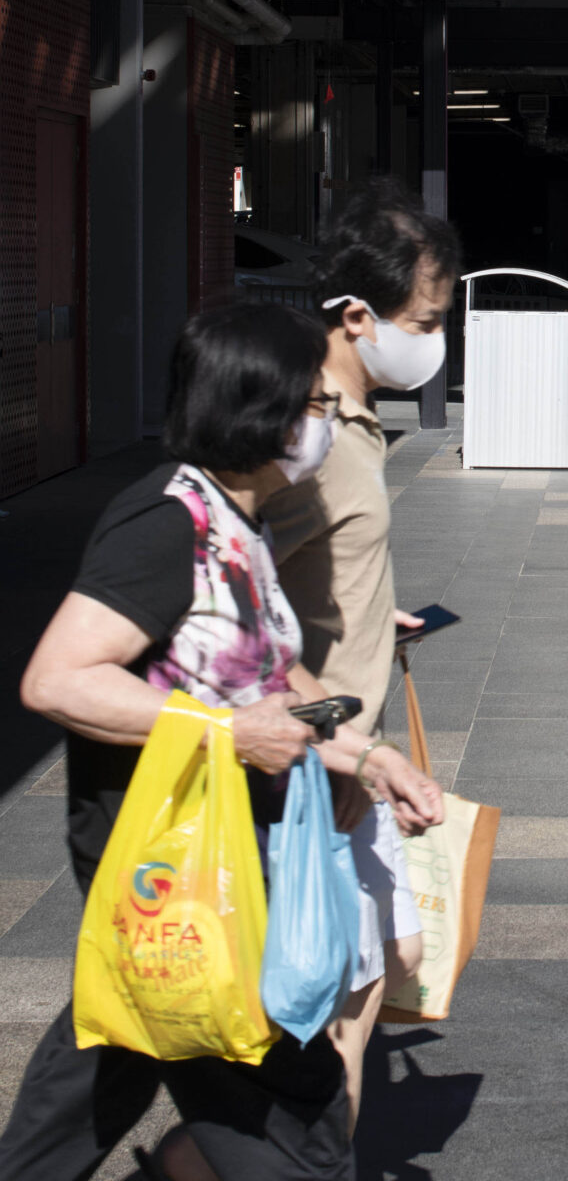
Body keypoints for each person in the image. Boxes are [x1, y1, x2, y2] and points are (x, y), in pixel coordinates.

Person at [0, 299, 440, 1181]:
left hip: (209, 876)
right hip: (179, 871)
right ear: (260, 409)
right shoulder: (164, 524)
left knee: (103, 1076)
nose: (326, 424)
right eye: (314, 407)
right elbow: (57, 680)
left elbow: (271, 670)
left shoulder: (238, 519)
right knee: (295, 1128)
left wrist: (364, 751)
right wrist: (227, 733)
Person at [263, 185, 460, 1129]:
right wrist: (327, 735)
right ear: (355, 317)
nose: (433, 341)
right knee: (343, 992)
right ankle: (277, 1154)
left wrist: (382, 620)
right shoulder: (312, 438)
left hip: (350, 742)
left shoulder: (356, 423)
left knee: (391, 958)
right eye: (423, 322)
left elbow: (329, 563)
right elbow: (239, 598)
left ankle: (267, 1145)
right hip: (321, 752)